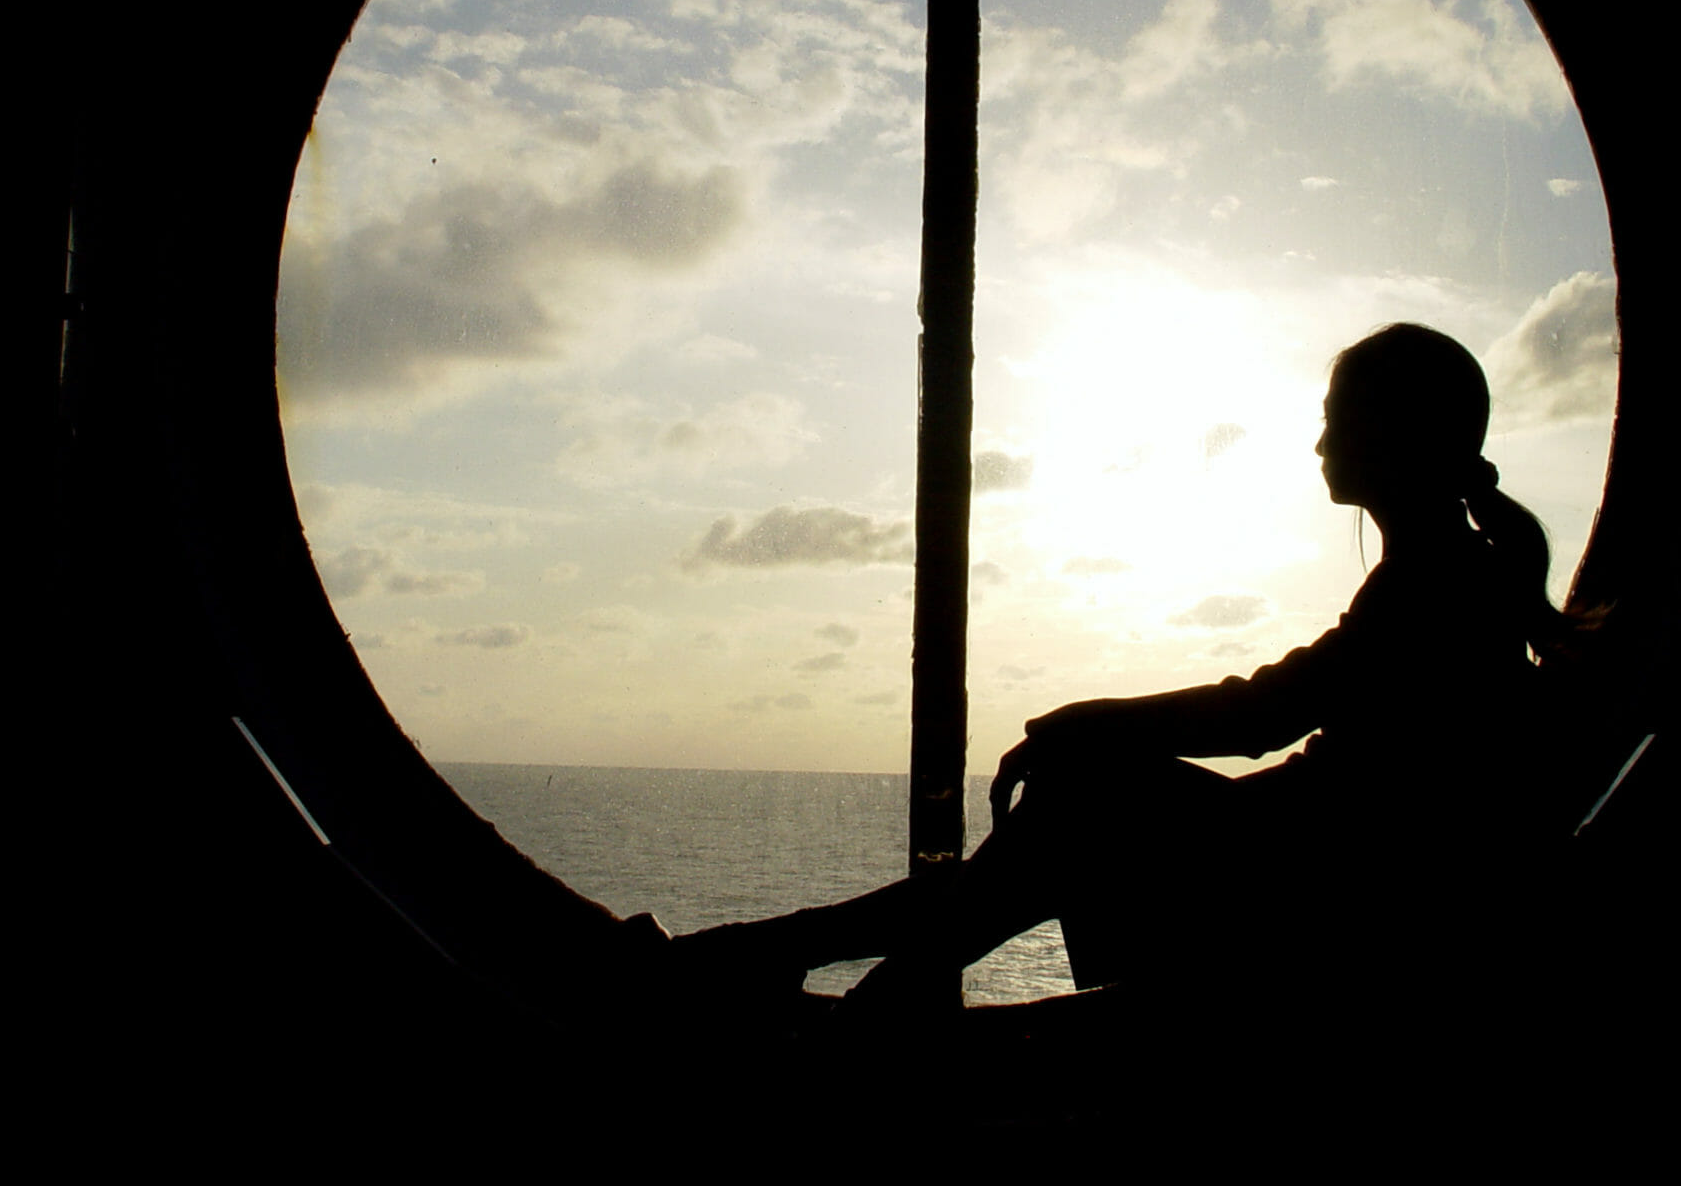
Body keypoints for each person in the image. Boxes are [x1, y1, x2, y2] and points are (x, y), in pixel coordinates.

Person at [656, 322, 1567, 1009]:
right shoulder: (1463, 572)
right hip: (1312, 868)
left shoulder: (1434, 584)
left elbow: (1258, 717)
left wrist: (1073, 727)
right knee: (1054, 833)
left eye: (1336, 424)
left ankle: (790, 981)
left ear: (1396, 438)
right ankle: (781, 967)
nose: (1320, 446)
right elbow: (1275, 719)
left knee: (1072, 816)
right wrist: (1085, 736)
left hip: (1319, 891)